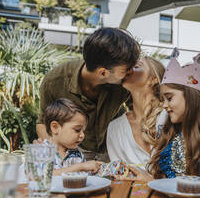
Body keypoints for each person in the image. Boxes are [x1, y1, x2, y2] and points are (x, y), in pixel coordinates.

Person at [36, 27, 141, 161]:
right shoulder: (55, 82)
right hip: (74, 156)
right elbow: (43, 123)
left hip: (113, 153)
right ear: (103, 73)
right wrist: (57, 157)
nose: (131, 72)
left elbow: (142, 112)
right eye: (126, 69)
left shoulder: (124, 82)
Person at [148, 49, 200, 181]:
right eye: (163, 99)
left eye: (169, 98)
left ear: (191, 99)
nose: (164, 105)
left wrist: (151, 182)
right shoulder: (169, 137)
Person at [106, 56, 167, 168]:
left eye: (136, 66)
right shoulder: (115, 128)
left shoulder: (169, 117)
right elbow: (118, 173)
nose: (128, 69)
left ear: (153, 79)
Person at [43, 98, 103, 175]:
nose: (82, 135)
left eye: (83, 131)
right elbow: (44, 176)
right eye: (77, 130)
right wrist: (80, 167)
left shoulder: (78, 155)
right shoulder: (41, 151)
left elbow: (85, 179)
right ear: (55, 127)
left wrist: (99, 170)